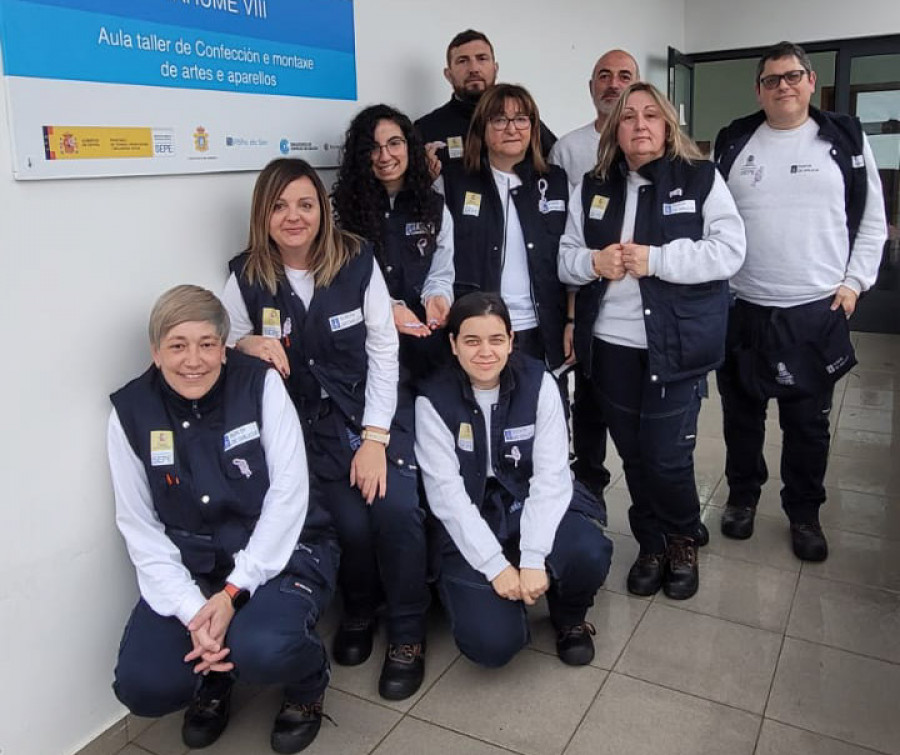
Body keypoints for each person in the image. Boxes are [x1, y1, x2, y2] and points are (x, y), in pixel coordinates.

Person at [221, 158, 430, 701]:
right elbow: (222, 348)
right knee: (347, 524)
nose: (294, 217)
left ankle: (408, 631)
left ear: (322, 210)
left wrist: (377, 439)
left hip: (371, 412)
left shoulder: (357, 260)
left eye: (305, 204)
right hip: (305, 430)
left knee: (394, 509)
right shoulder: (245, 276)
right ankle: (359, 611)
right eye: (280, 205)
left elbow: (385, 349)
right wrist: (245, 345)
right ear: (262, 214)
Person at [109, 285, 338, 754]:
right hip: (194, 566)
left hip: (281, 553)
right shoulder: (130, 412)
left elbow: (289, 494)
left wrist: (235, 591)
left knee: (264, 649)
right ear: (155, 352)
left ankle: (307, 679)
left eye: (207, 344)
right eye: (177, 345)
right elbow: (139, 526)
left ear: (225, 348)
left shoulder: (260, 384)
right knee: (142, 685)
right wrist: (194, 610)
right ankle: (213, 673)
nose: (193, 360)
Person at [559, 82, 746, 600]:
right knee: (635, 456)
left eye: (650, 115)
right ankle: (651, 543)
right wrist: (593, 262)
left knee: (666, 455)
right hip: (612, 344)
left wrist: (658, 259)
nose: (639, 125)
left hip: (677, 345)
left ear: (667, 126)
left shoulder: (702, 177)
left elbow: (730, 252)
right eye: (628, 117)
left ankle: (682, 536)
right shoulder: (593, 187)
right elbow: (565, 257)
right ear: (615, 130)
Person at [713, 41, 887, 561]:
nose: (783, 86)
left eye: (793, 76)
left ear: (812, 82)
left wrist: (854, 283)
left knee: (806, 425)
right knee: (741, 418)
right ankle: (742, 499)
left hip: (816, 310)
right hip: (743, 308)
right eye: (772, 79)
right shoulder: (735, 141)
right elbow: (712, 220)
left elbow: (873, 220)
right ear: (758, 89)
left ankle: (804, 512)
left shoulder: (843, 139)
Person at [415, 292, 612, 667]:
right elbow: (447, 495)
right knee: (493, 645)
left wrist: (535, 556)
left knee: (588, 551)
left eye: (496, 339)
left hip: (526, 496)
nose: (485, 352)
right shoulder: (433, 399)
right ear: (453, 345)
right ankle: (501, 600)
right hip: (472, 507)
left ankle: (569, 617)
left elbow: (552, 476)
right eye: (472, 340)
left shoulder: (538, 383)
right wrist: (495, 566)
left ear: (511, 341)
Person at [549, 48, 640, 505]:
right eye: (603, 75)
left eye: (624, 75)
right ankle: (589, 495)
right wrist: (569, 314)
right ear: (591, 87)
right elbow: (560, 239)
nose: (613, 83)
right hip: (587, 303)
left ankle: (664, 504)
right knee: (588, 407)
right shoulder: (568, 149)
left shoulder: (661, 149)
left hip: (647, 312)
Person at [440, 83, 571, 373]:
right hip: (479, 331)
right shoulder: (454, 181)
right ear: (482, 128)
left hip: (542, 329)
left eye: (521, 118)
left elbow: (571, 254)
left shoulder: (556, 182)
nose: (511, 128)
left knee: (544, 412)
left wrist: (572, 321)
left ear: (533, 127)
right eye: (499, 119)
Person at [332, 104, 454, 383]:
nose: (385, 156)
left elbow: (441, 271)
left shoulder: (435, 206)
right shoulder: (341, 211)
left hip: (423, 341)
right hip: (365, 346)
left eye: (394, 143)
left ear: (410, 147)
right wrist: (387, 308)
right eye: (373, 148)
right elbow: (342, 279)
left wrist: (438, 298)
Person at [415, 29, 556, 176]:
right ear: (448, 74)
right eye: (463, 61)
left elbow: (554, 168)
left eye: (482, 59)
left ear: (495, 68)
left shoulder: (524, 124)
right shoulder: (427, 129)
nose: (474, 69)